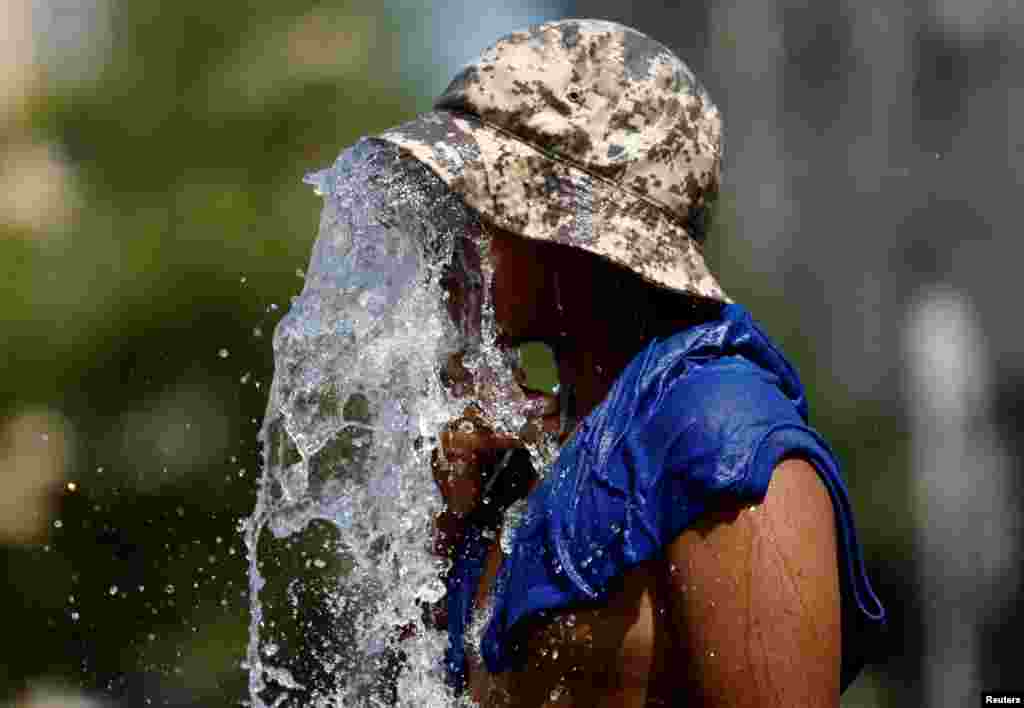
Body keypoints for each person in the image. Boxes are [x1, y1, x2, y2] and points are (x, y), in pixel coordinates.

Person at [374, 19, 886, 706]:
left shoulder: (720, 446)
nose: (449, 241)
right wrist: (444, 529)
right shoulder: (530, 457)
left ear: (577, 236)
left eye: (479, 207)